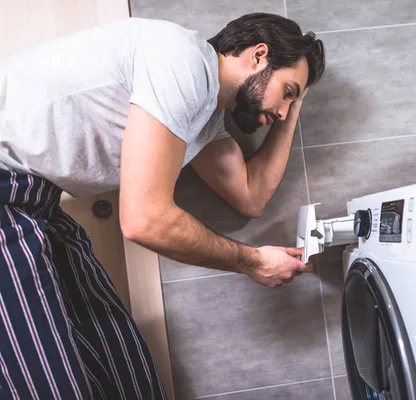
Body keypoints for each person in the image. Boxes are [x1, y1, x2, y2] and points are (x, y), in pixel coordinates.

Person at [0, 13, 325, 399]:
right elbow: (144, 220)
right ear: (258, 56)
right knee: (50, 386)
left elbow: (251, 196)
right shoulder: (182, 61)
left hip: (36, 204)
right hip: (8, 190)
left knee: (123, 371)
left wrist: (294, 107)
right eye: (287, 91)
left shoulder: (204, 120)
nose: (283, 111)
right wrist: (251, 261)